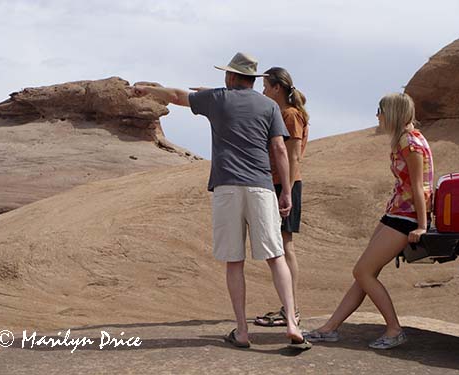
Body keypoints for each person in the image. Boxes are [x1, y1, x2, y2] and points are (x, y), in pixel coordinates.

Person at [133, 52, 311, 350]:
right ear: (252, 80)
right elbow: (280, 150)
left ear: (230, 77)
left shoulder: (218, 99)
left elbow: (177, 96)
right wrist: (285, 191)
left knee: (234, 261)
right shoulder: (269, 105)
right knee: (275, 255)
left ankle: (242, 331)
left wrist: (149, 90)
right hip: (261, 187)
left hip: (227, 187)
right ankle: (292, 322)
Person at [303, 93, 434, 349]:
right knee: (366, 273)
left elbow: (419, 187)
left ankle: (394, 329)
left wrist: (421, 226)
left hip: (405, 218)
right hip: (396, 213)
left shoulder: (410, 142)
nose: (377, 115)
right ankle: (330, 328)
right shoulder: (403, 140)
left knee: (363, 271)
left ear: (393, 113)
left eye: (380, 110)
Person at [254, 67, 309, 328]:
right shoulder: (283, 113)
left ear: (277, 87)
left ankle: (292, 310)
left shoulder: (290, 115)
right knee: (281, 244)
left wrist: (285, 191)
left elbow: (294, 155)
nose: (263, 90)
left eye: (266, 86)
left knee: (285, 245)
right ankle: (289, 308)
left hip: (285, 185)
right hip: (280, 184)